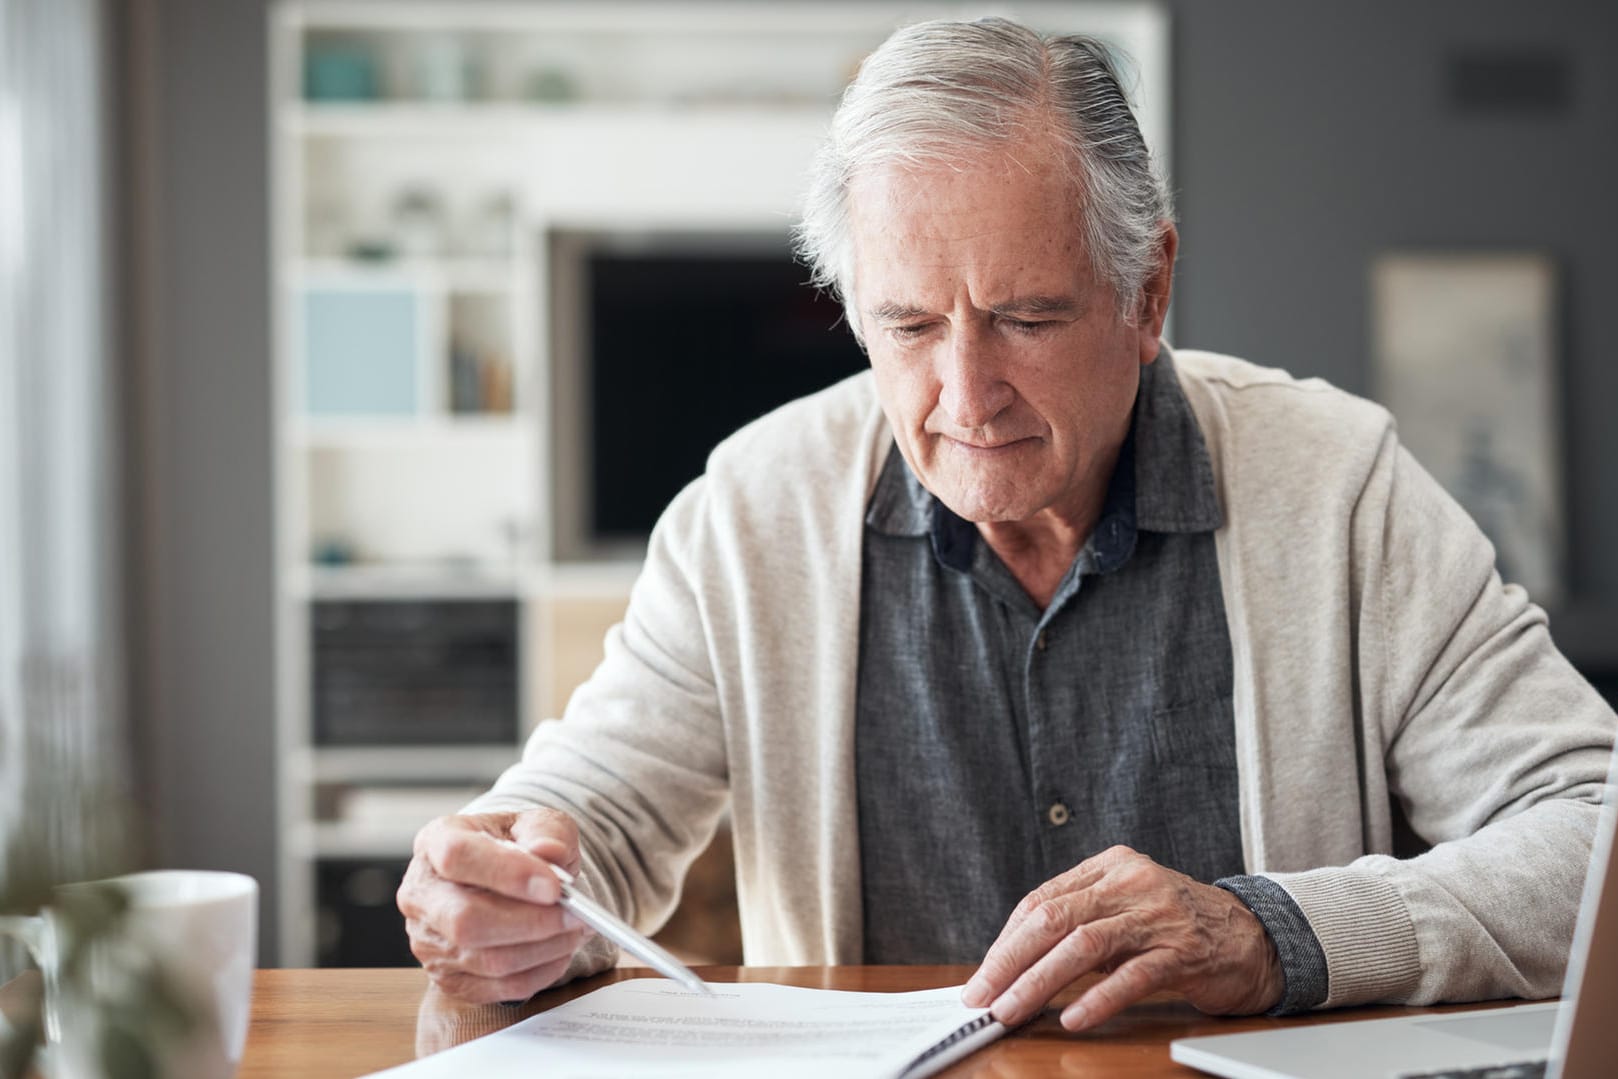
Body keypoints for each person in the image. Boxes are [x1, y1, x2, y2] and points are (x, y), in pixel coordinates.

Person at [396, 17, 1617, 1032]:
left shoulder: (1341, 487)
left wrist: (1272, 930)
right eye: (911, 326)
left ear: (1148, 291)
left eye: (1027, 317)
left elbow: (1590, 831)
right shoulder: (749, 513)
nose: (964, 398)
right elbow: (588, 817)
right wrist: (507, 878)